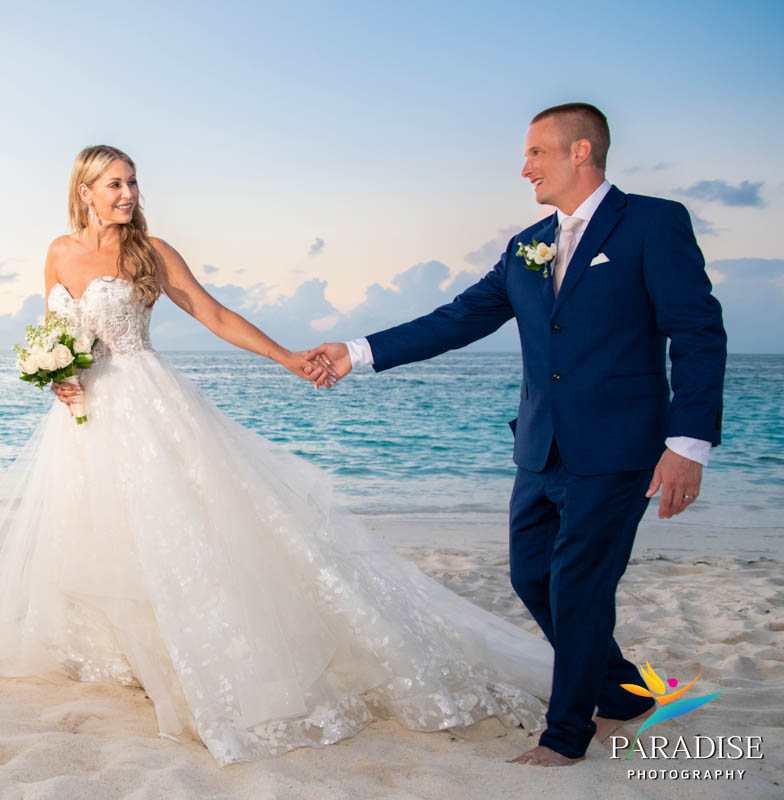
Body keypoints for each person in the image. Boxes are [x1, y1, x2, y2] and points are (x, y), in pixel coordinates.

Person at [0, 145, 554, 767]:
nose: (129, 192)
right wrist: (58, 371)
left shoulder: (152, 251)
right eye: (114, 183)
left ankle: (195, 659)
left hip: (146, 403)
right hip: (83, 416)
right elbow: (57, 329)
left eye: (133, 181)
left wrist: (288, 357)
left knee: (173, 532)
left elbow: (214, 314)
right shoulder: (57, 252)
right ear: (85, 193)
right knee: (99, 533)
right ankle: (134, 658)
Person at [305, 103, 726, 766]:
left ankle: (565, 736)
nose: (523, 166)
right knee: (533, 577)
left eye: (536, 153)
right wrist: (354, 353)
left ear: (580, 151)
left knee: (579, 585)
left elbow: (699, 334)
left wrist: (688, 444)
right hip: (539, 447)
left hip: (620, 449)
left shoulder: (652, 223)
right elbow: (457, 318)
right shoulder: (526, 244)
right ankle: (622, 693)